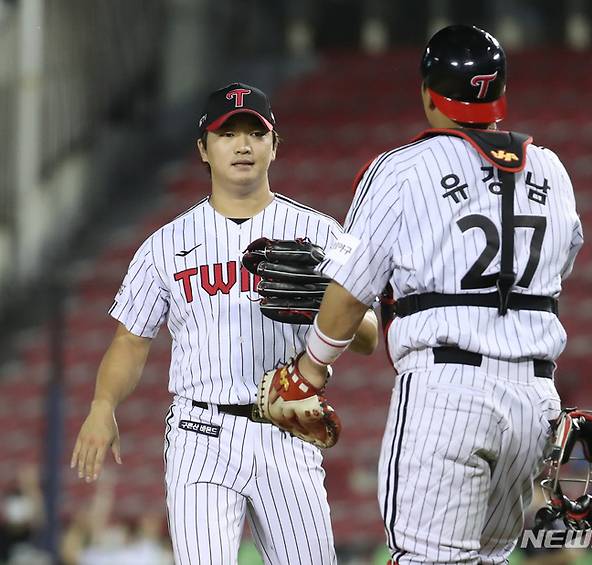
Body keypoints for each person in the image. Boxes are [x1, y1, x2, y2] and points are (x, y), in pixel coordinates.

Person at [269, 25, 583, 563]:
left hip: (447, 391)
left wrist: (308, 371)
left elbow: (350, 291)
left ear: (428, 94)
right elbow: (558, 268)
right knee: (487, 559)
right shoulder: (553, 169)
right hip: (535, 402)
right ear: (500, 93)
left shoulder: (403, 168)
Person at [70, 82, 378, 565]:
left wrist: (327, 300)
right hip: (200, 432)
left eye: (255, 133)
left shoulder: (321, 233)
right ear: (203, 149)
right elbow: (130, 341)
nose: (242, 145)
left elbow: (369, 336)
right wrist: (102, 404)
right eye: (227, 134)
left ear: (274, 145)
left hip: (287, 428)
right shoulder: (165, 244)